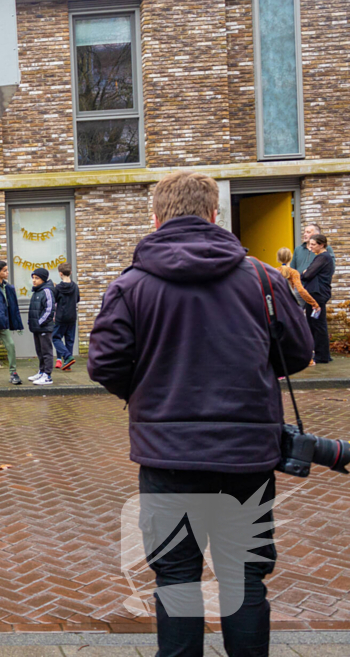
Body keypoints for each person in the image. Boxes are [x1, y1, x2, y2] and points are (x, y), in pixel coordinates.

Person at [88, 171, 313, 657]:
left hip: (169, 456)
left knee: (176, 576)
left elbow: (104, 363)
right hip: (248, 455)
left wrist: (152, 393)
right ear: (215, 215)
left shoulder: (132, 285)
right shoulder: (262, 279)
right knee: (244, 573)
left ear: (155, 218)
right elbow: (297, 353)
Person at [301, 233, 335, 365]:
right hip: (318, 293)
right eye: (310, 244)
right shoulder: (323, 257)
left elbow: (307, 274)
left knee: (317, 323)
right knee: (315, 322)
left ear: (322, 245)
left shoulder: (323, 257)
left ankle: (322, 356)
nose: (311, 247)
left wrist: (305, 272)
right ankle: (322, 354)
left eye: (313, 245)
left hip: (317, 293)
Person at [27, 267, 55, 385]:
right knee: (40, 351)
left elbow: (49, 309)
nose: (34, 280)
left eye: (37, 278)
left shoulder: (47, 291)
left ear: (43, 279)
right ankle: (42, 371)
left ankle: (47, 375)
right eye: (33, 278)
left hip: (44, 327)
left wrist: (39, 322)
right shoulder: (36, 291)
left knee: (46, 351)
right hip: (37, 328)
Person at [52, 263, 80, 371]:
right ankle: (68, 365)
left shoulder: (58, 288)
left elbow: (54, 301)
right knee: (69, 340)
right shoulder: (75, 286)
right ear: (70, 272)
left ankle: (67, 357)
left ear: (60, 274)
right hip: (72, 316)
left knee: (55, 338)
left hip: (61, 317)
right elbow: (77, 299)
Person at [277, 247, 319, 313]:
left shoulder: (274, 271)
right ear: (290, 257)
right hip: (289, 303)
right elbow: (300, 290)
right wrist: (314, 303)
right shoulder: (294, 272)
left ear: (278, 258)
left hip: (277, 303)